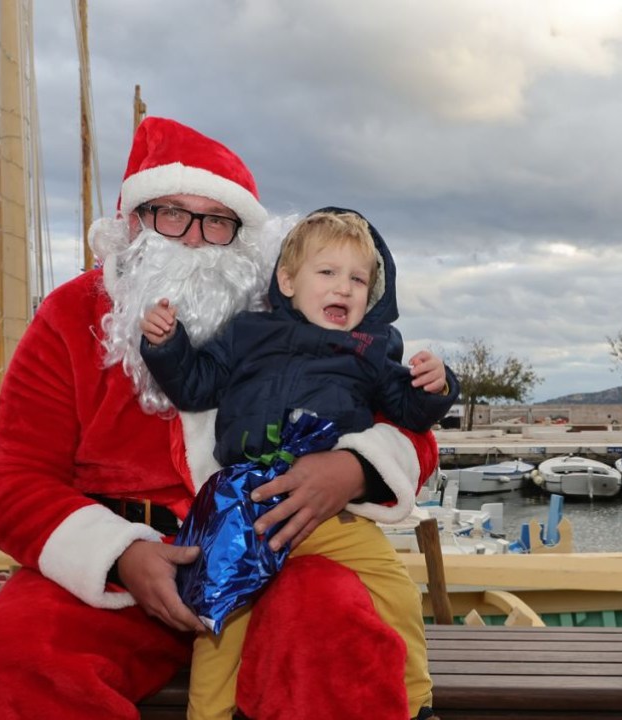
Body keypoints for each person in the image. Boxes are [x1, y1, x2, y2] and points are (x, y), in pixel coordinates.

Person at [0, 117, 441, 720]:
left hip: (280, 556)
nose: (194, 239)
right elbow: (8, 481)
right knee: (12, 661)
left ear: (243, 237)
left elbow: (413, 428)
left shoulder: (297, 311)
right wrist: (122, 553)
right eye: (172, 214)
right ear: (133, 223)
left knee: (330, 622)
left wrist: (352, 469)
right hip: (125, 574)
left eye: (216, 220)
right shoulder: (71, 316)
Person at [139, 208, 459, 720]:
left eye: (358, 279)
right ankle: (208, 715)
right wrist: (166, 346)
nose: (345, 288)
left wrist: (437, 387)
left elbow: (408, 413)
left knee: (395, 590)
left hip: (330, 513)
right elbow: (195, 385)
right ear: (287, 281)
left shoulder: (372, 350)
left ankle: (416, 701)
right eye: (327, 273)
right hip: (248, 504)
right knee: (222, 613)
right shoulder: (246, 334)